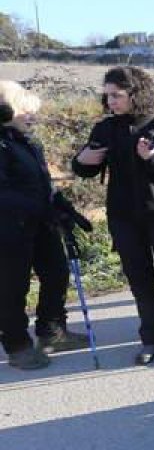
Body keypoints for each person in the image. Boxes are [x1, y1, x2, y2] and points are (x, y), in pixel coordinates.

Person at [72, 67, 154, 365]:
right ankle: (151, 340)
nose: (111, 101)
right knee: (139, 281)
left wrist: (152, 160)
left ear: (135, 93)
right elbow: (86, 169)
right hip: (123, 217)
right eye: (108, 96)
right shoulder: (104, 129)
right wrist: (81, 162)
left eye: (117, 95)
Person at [0, 81, 89, 370]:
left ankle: (52, 331)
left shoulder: (27, 141)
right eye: (26, 110)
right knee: (13, 287)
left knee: (56, 272)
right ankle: (17, 346)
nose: (32, 116)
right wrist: (37, 205)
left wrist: (57, 202)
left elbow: (38, 182)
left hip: (40, 224)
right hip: (10, 230)